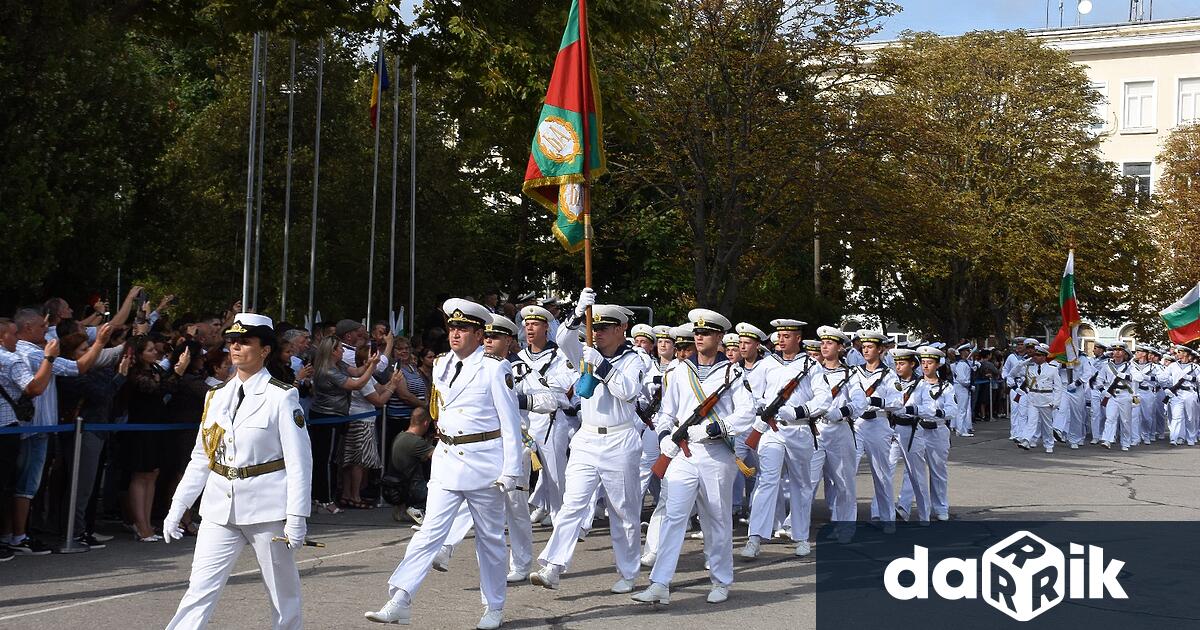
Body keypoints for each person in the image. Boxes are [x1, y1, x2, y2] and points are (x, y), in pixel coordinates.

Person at [365, 298, 523, 630]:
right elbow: (440, 412)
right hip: (449, 460)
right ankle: (400, 599)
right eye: (452, 327)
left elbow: (510, 424)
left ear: (480, 335)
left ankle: (493, 606)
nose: (455, 334)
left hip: (484, 462)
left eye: (463, 328)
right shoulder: (441, 365)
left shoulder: (495, 368)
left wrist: (512, 470)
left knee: (490, 540)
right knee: (427, 535)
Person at [163, 313, 313, 630]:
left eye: (245, 341)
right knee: (199, 589)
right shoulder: (215, 396)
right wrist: (179, 505)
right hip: (220, 507)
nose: (236, 346)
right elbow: (202, 456)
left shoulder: (282, 396)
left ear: (265, 350)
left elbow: (300, 462)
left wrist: (297, 516)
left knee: (282, 594)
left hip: (267, 508)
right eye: (232, 340)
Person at [529, 292, 646, 596]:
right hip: (587, 437)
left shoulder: (634, 359)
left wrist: (603, 368)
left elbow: (629, 392)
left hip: (620, 438)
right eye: (596, 327)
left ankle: (629, 572)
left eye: (605, 327)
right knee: (572, 505)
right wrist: (577, 312)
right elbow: (565, 338)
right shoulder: (585, 351)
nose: (598, 332)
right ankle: (553, 566)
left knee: (623, 512)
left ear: (622, 329)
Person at [633, 308, 753, 605]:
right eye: (696, 333)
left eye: (706, 333)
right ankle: (660, 582)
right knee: (674, 516)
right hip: (682, 453)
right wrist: (664, 438)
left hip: (716, 455)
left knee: (716, 519)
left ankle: (721, 580)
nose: (699, 337)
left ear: (720, 337)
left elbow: (747, 413)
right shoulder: (677, 370)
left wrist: (717, 427)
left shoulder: (733, 373)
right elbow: (666, 413)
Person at [740, 317, 820, 561]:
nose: (781, 340)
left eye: (787, 336)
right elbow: (750, 391)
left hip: (799, 429)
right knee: (767, 481)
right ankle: (755, 537)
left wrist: (798, 411)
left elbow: (823, 398)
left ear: (798, 338)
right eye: (779, 336)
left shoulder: (811, 365)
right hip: (772, 430)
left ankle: (801, 536)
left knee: (801, 484)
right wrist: (764, 406)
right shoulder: (767, 364)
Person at [518, 304, 577, 528]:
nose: (530, 328)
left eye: (535, 324)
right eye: (527, 324)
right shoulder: (517, 357)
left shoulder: (560, 356)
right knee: (520, 473)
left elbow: (564, 388)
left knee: (555, 474)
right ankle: (522, 514)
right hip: (524, 421)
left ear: (545, 327)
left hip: (552, 420)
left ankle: (561, 516)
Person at [308, 336, 378, 513]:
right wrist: (372, 367)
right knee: (325, 461)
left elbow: (356, 371)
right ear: (332, 351)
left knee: (330, 459)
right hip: (326, 417)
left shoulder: (339, 365)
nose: (343, 351)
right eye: (340, 348)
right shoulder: (328, 370)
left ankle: (322, 497)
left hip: (336, 417)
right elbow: (356, 384)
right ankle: (324, 499)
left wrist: (369, 363)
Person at [851, 330, 899, 533]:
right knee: (847, 471)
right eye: (863, 346)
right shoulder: (854, 372)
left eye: (870, 347)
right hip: (856, 424)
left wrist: (874, 401)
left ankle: (887, 518)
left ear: (880, 350)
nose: (865, 350)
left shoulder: (888, 375)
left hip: (878, 425)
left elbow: (897, 402)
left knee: (881, 473)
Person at [389, 407, 435, 523]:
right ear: (426, 423)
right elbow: (439, 457)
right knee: (441, 490)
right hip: (413, 487)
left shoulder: (401, 436)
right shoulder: (416, 442)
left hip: (398, 486)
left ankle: (405, 508)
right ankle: (418, 507)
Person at [1096, 343, 1135, 450]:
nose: (1117, 352)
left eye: (1120, 350)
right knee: (1110, 418)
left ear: (1125, 353)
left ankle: (1125, 442)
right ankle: (1107, 439)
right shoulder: (1107, 366)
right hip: (1111, 395)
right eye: (1115, 350)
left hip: (1125, 394)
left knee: (1125, 420)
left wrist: (1126, 376)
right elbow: (1099, 380)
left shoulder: (1130, 366)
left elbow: (1137, 377)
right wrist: (1103, 391)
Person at [1159, 345, 1197, 446]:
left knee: (1190, 417)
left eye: (1180, 352)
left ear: (1186, 354)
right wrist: (1166, 388)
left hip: (1189, 393)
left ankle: (1191, 438)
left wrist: (1190, 378)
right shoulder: (1173, 366)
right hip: (1176, 393)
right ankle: (1175, 438)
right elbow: (1163, 377)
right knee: (1176, 417)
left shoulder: (1195, 367)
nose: (1178, 354)